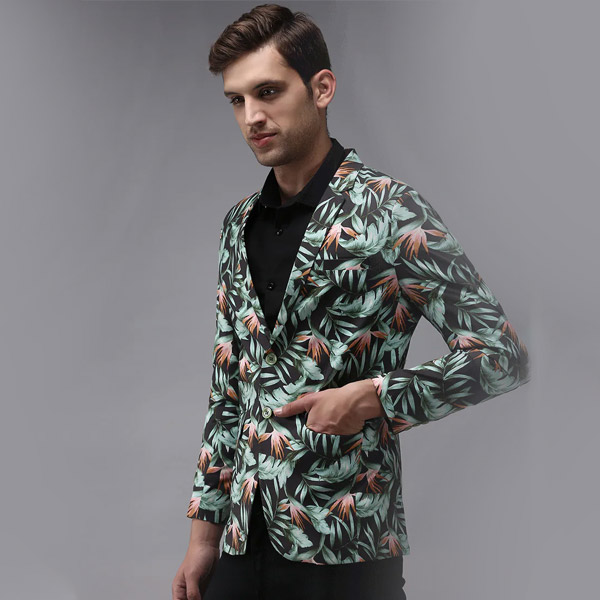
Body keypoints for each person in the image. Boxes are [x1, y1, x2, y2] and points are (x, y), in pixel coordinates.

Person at [172, 4, 530, 600]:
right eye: (237, 100)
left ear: (322, 88)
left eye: (268, 92)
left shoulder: (392, 212)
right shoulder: (238, 224)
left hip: (346, 546)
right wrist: (204, 536)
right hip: (241, 538)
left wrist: (373, 398)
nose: (252, 116)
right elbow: (228, 386)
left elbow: (501, 355)